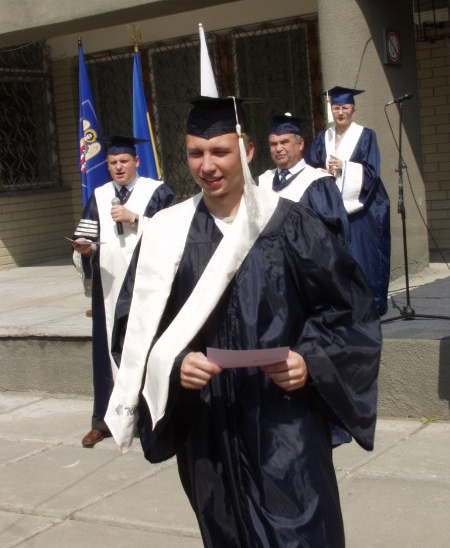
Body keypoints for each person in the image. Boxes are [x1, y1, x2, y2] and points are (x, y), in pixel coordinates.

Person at [105, 97, 381, 547]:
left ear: (247, 151)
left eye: (220, 151)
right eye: (196, 153)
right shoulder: (167, 233)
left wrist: (310, 360)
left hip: (284, 424)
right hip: (208, 429)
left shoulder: (290, 225)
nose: (207, 165)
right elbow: (132, 329)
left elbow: (348, 311)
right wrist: (176, 363)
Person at [71, 135, 176, 448]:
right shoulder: (99, 196)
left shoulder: (156, 191)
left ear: (136, 162)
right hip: (110, 286)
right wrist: (84, 249)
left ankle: (151, 419)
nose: (118, 167)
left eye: (124, 161)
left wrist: (136, 219)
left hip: (147, 286)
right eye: (113, 162)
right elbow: (86, 238)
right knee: (107, 353)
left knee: (146, 349)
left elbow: (176, 232)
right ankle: (104, 421)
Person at [305, 86, 391, 316]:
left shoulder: (366, 135)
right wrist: (323, 171)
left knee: (364, 257)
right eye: (336, 108)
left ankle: (369, 308)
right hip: (331, 207)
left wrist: (345, 167)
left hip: (362, 208)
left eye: (344, 107)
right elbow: (312, 165)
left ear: (353, 109)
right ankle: (342, 308)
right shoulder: (323, 137)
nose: (340, 112)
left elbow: (372, 171)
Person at [257, 112, 348, 244]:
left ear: (300, 144)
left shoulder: (319, 183)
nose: (278, 148)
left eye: (284, 142)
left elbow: (332, 237)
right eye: (273, 144)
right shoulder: (261, 182)